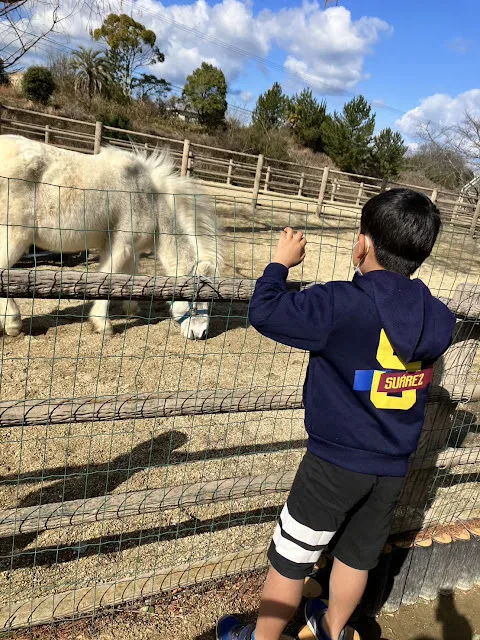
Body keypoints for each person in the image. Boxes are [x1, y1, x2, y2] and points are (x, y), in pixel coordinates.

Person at [216, 189, 456, 640]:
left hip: (333, 463)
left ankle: (261, 638)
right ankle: (332, 628)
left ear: (362, 244)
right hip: (391, 466)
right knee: (356, 557)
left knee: (292, 558)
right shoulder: (438, 318)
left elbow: (264, 311)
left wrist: (280, 264)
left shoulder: (340, 303)